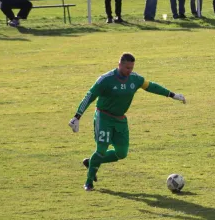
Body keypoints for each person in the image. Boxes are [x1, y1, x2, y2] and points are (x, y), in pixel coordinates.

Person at [68, 52, 187, 191]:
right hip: (104, 117)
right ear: (119, 65)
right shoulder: (105, 80)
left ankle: (92, 161)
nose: (129, 71)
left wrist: (172, 95)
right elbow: (89, 96)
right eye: (127, 68)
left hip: (120, 120)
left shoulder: (135, 79)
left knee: (121, 153)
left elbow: (151, 86)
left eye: (131, 68)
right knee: (101, 149)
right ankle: (89, 182)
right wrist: (77, 117)